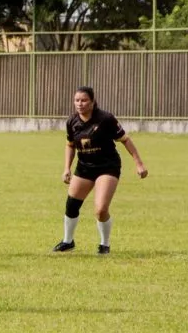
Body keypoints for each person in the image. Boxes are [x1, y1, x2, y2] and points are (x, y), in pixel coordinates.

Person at [52, 86, 147, 255]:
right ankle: (68, 241)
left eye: (84, 100)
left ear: (93, 101)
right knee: (71, 205)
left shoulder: (105, 119)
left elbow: (125, 140)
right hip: (84, 167)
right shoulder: (72, 122)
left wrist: (139, 164)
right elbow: (70, 145)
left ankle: (104, 244)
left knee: (101, 209)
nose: (80, 104)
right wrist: (66, 168)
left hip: (107, 166)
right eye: (77, 100)